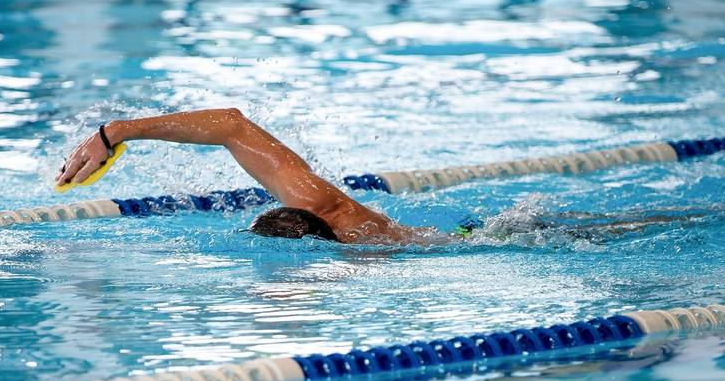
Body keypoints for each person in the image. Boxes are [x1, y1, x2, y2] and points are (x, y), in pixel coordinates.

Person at [56, 108, 713, 245]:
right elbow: (230, 123)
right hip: (477, 231)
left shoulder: (354, 242)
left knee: (634, 229)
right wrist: (118, 131)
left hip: (494, 242)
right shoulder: (324, 203)